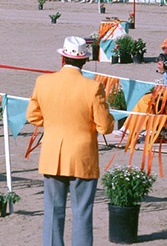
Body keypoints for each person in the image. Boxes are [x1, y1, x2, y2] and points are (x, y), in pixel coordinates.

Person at [26, 36, 114, 246]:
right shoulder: (93, 87)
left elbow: (33, 117)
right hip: (82, 157)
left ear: (63, 59)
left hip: (52, 155)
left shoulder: (43, 81)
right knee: (82, 213)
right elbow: (105, 127)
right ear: (84, 61)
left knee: (53, 212)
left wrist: (54, 122)